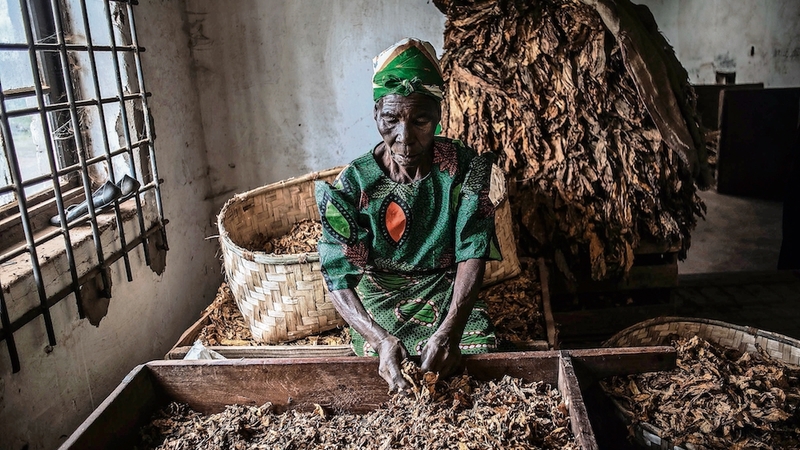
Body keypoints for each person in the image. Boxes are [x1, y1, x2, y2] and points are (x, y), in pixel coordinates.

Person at [315, 38, 501, 392]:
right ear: (376, 115)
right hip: (382, 294)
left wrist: (450, 330)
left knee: (477, 352)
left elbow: (472, 249)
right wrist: (379, 339)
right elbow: (336, 273)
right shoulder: (354, 185)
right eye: (390, 119)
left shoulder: (463, 169)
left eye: (420, 121)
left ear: (438, 117)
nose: (404, 138)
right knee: (377, 366)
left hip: (445, 290)